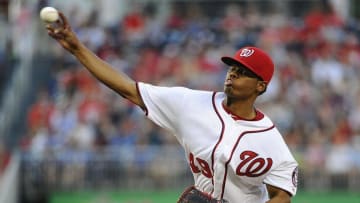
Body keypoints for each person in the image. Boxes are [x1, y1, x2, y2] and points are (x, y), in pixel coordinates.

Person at [45, 11, 298, 203]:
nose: (232, 75)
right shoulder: (191, 104)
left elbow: (282, 194)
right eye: (232, 68)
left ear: (260, 86)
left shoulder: (270, 139)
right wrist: (77, 48)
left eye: (242, 73)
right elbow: (128, 88)